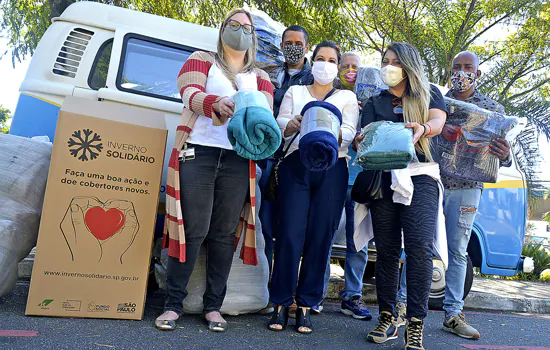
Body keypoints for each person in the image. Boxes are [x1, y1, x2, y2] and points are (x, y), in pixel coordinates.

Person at [156, 9, 274, 332]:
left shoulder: (261, 77)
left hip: (238, 158)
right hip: (199, 151)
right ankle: (173, 305)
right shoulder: (202, 59)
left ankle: (213, 307)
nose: (240, 31)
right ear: (223, 30)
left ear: (253, 38)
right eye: (234, 25)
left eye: (246, 27)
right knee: (192, 230)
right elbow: (188, 92)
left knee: (223, 234)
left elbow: (265, 116)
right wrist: (213, 104)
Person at [396, 51, 512, 340]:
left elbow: (504, 155)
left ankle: (453, 314)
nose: (462, 72)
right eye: (457, 67)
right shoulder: (437, 102)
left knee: (458, 250)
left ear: (478, 73)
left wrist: (506, 155)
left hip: (467, 190)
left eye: (468, 67)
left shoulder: (492, 110)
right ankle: (401, 305)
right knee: (418, 244)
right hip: (430, 182)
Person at [357, 42, 447, 350]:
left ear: (409, 65)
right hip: (384, 178)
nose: (389, 66)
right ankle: (387, 316)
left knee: (420, 249)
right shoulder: (374, 101)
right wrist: (361, 140)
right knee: (386, 251)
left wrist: (423, 128)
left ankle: (416, 324)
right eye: (385, 61)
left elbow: (438, 122)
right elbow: (364, 137)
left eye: (395, 61)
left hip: (420, 177)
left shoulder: (429, 93)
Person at [268, 40, 359, 334]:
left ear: (338, 66)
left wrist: (322, 127)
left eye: (332, 60)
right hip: (297, 167)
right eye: (321, 58)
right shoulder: (295, 92)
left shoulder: (346, 97)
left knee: (321, 238)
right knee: (289, 235)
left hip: (333, 168)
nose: (326, 64)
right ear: (312, 61)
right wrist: (294, 124)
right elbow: (280, 123)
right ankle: (281, 302)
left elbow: (348, 132)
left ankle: (306, 304)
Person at [257, 25, 314, 315]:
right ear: (281, 45)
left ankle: (291, 295)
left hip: (297, 163)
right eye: (287, 42)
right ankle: (266, 293)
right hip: (267, 159)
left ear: (307, 47)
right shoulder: (270, 74)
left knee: (293, 231)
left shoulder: (315, 79)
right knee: (265, 227)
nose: (292, 47)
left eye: (298, 43)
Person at [314, 52, 372, 321]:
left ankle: (352, 296)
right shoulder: (332, 96)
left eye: (355, 68)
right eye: (345, 66)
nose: (350, 71)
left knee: (357, 241)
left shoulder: (374, 102)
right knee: (323, 236)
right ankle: (316, 293)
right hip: (335, 175)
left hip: (361, 181)